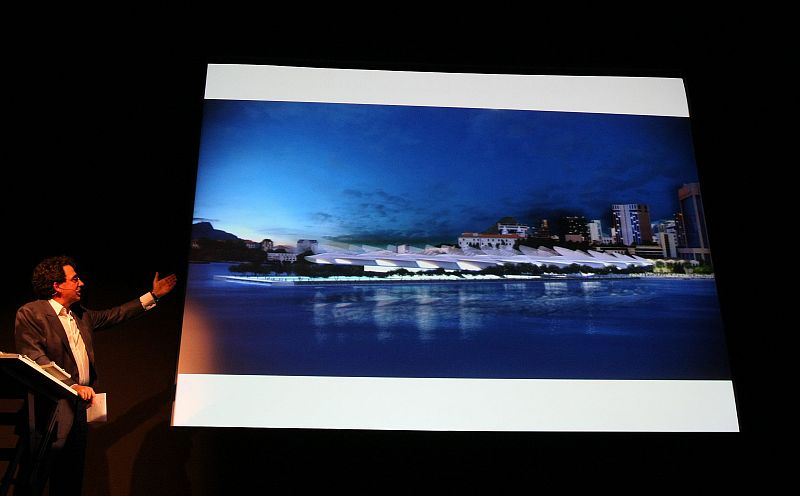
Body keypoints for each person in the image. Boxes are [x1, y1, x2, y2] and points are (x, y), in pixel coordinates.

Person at [13, 255, 177, 495]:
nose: (82, 284)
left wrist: (152, 296)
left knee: (69, 479)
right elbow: (36, 358)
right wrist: (71, 385)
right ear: (56, 285)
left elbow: (115, 314)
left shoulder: (80, 315)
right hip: (46, 409)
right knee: (34, 478)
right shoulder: (31, 313)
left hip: (77, 407)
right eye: (75, 279)